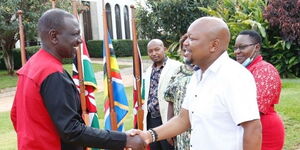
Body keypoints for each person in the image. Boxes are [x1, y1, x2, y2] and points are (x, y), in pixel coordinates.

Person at [10, 9, 145, 150]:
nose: (80, 40)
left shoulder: (32, 66)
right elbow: (71, 130)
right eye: (75, 34)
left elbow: (16, 116)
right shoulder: (52, 73)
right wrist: (123, 140)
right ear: (54, 36)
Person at [130, 16, 262, 150]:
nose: (185, 43)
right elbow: (183, 119)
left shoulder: (235, 76)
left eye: (192, 39)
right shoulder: (197, 76)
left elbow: (253, 129)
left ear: (213, 45)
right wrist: (149, 135)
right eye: (186, 37)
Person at [234, 30, 285, 150]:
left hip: (264, 132)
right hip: (245, 131)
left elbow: (256, 108)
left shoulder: (265, 70)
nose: (237, 52)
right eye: (235, 47)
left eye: (242, 47)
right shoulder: (242, 71)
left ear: (256, 47)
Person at [142, 39, 182, 150]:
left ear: (164, 49)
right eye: (150, 51)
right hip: (151, 119)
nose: (154, 53)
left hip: (167, 119)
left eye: (157, 49)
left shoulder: (177, 67)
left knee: (169, 147)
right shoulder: (148, 70)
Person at [164, 33, 193, 150]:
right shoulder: (178, 72)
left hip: (199, 129)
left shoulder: (206, 72)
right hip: (180, 129)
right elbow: (170, 100)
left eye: (189, 48)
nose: (186, 51)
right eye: (183, 49)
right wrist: (169, 128)